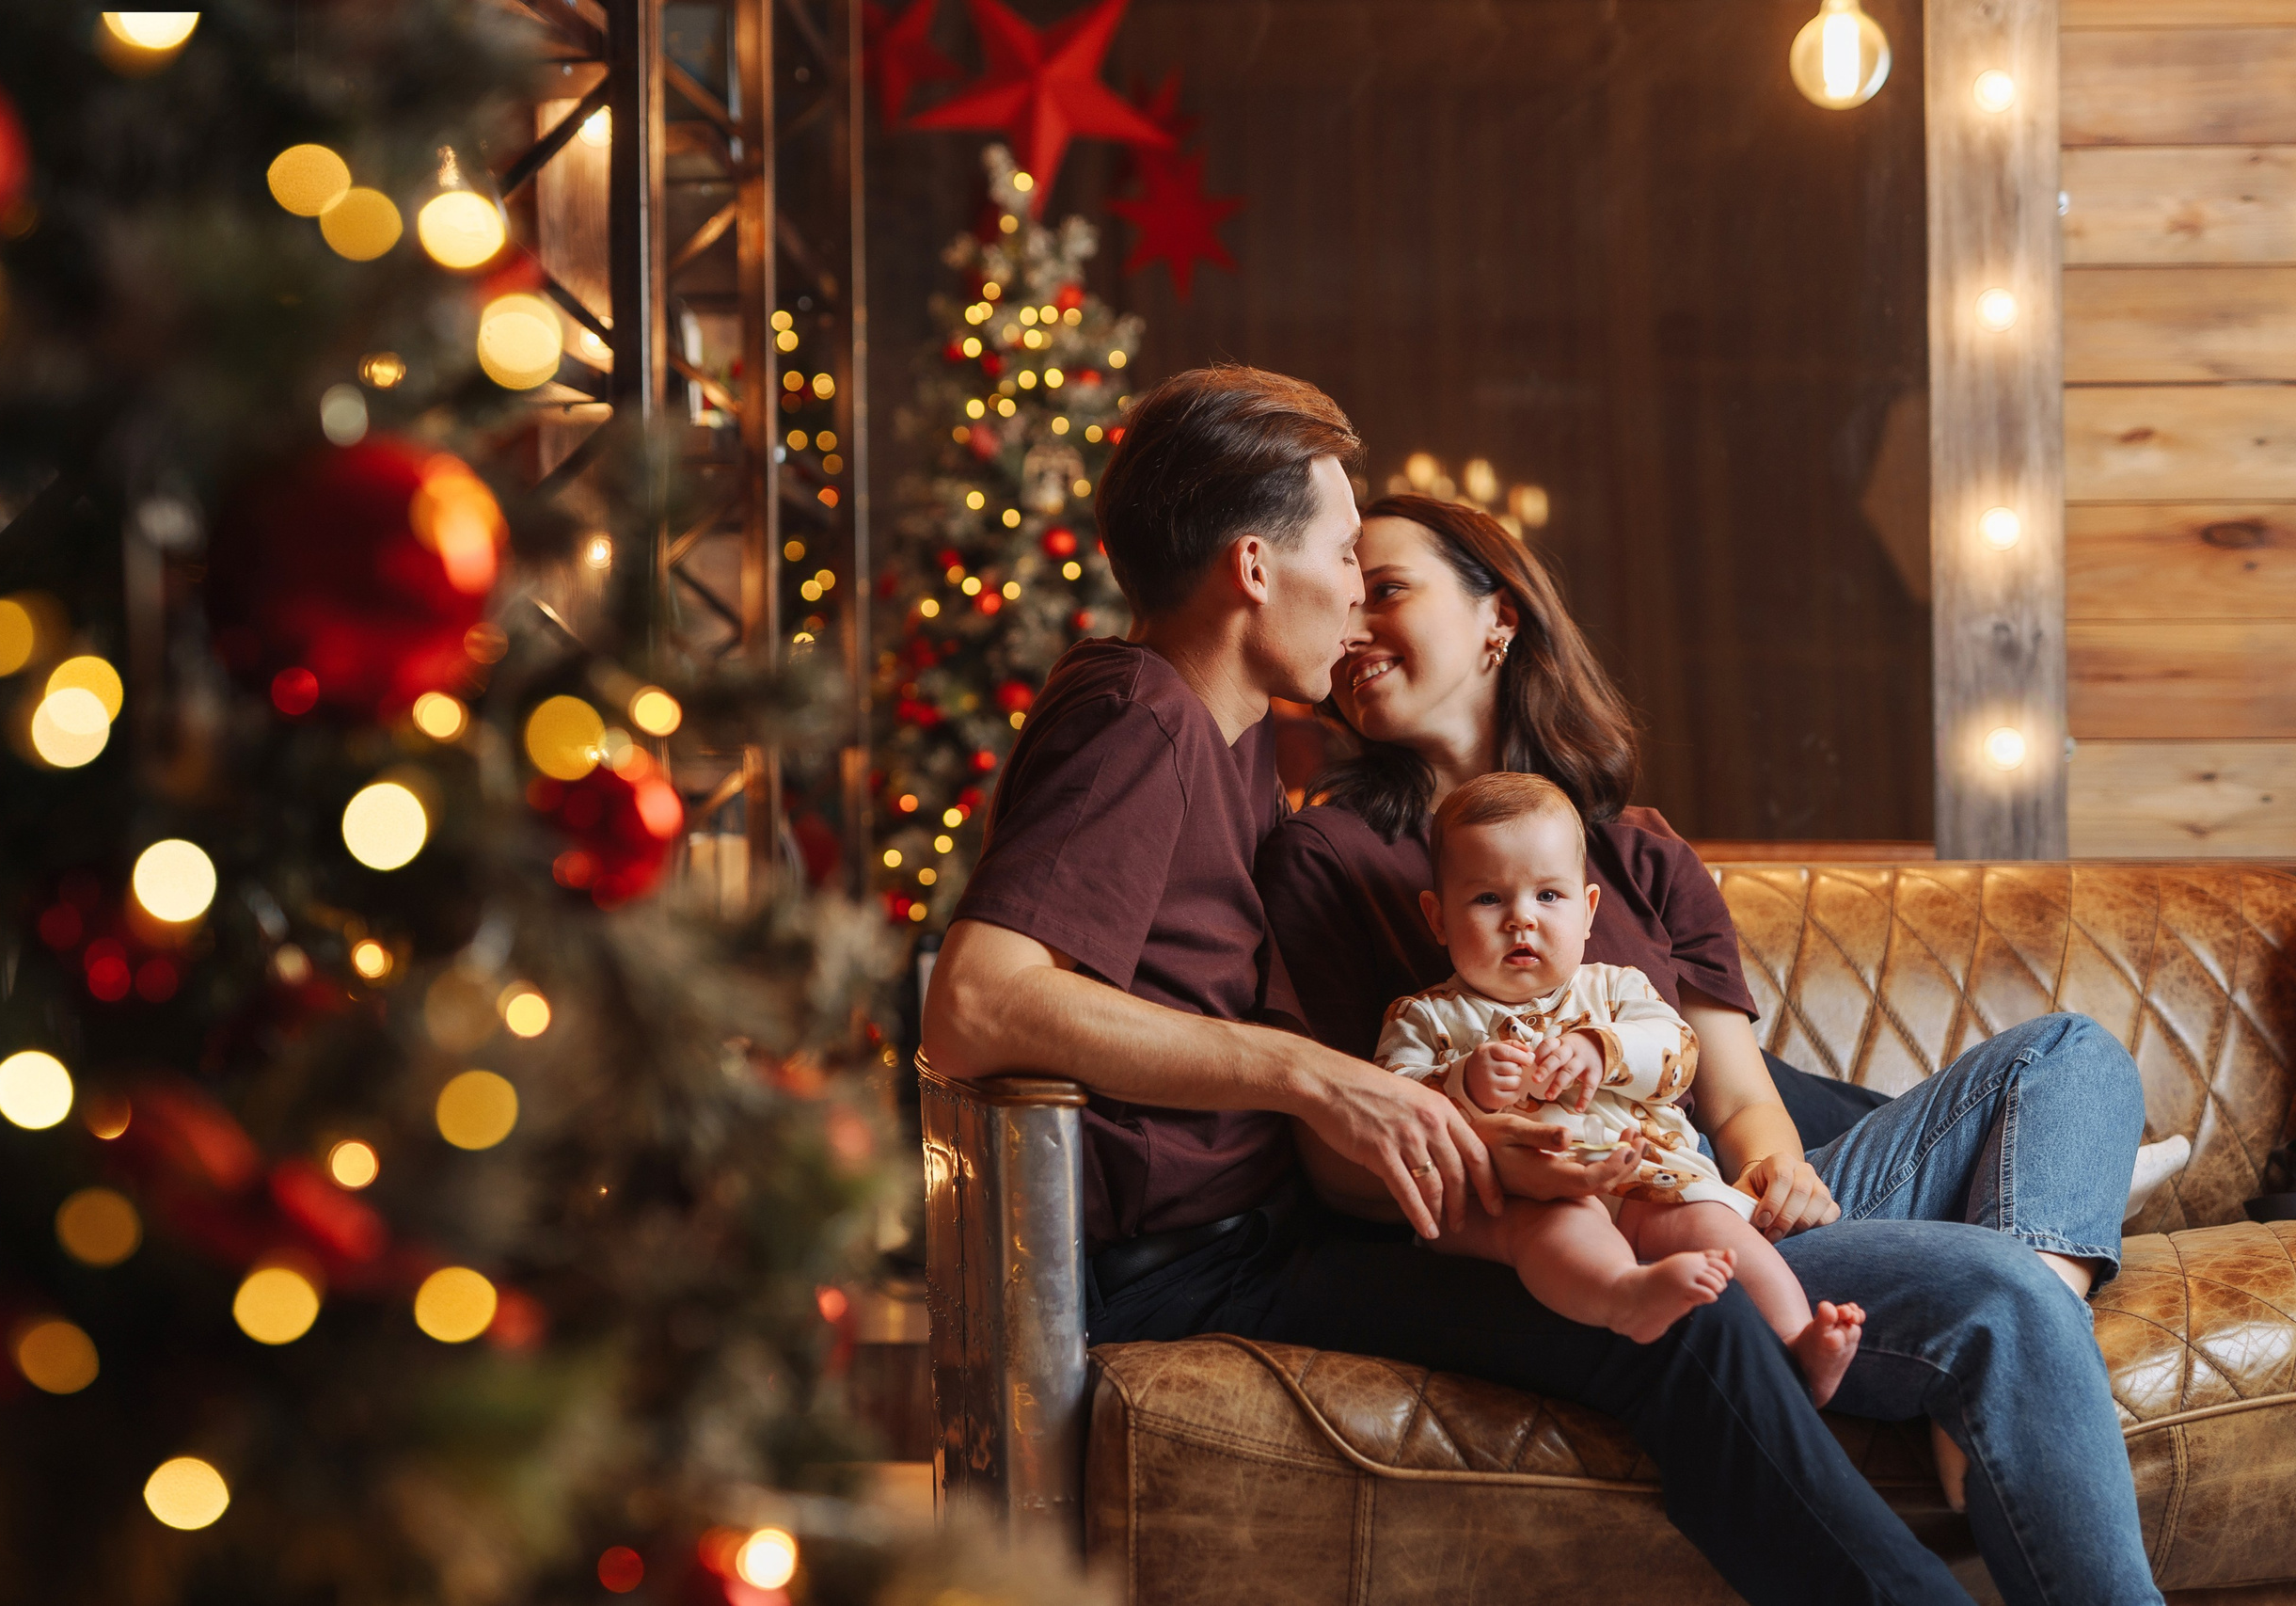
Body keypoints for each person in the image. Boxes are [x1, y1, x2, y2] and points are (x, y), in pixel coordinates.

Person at [923, 363, 1980, 1606]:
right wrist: (1319, 1079)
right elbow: (977, 999)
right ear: (1256, 569)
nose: (1356, 612)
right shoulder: (1140, 713)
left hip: (1267, 1233)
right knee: (1682, 1325)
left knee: (1687, 1281)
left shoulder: (1235, 737)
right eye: (1341, 560)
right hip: (1200, 1266)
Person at [1257, 491, 2161, 1605]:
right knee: (1997, 1292)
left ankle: (2040, 1290)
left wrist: (1777, 1168)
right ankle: (2025, 1291)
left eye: (1384, 589)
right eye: (1346, 597)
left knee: (2070, 1051)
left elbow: (1734, 1096)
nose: (1351, 625)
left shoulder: (1638, 852)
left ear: (1498, 618)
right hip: (1620, 1215)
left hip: (1723, 1181)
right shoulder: (1328, 853)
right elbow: (1343, 1146)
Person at [1372, 771, 1868, 1404]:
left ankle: (1800, 1341)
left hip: (1652, 1179)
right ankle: (1623, 1295)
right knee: (1556, 1233)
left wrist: (1602, 1048)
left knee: (1718, 1227)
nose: (1521, 918)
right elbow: (1393, 1100)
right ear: (1437, 917)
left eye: (1549, 895)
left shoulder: (1616, 990)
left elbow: (1678, 1054)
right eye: (1489, 899)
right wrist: (1460, 1083)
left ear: (1588, 912)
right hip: (1529, 1198)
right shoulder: (1426, 1018)